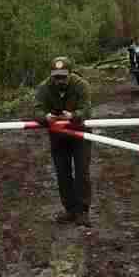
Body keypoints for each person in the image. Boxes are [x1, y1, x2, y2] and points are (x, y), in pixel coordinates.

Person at [36, 57, 93, 226]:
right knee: (62, 173)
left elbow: (87, 109)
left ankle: (83, 212)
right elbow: (35, 109)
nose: (59, 80)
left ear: (70, 73)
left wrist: (74, 115)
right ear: (51, 75)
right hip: (58, 135)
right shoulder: (44, 87)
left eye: (63, 76)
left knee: (82, 172)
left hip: (79, 133)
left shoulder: (81, 85)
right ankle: (70, 210)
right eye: (56, 77)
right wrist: (45, 117)